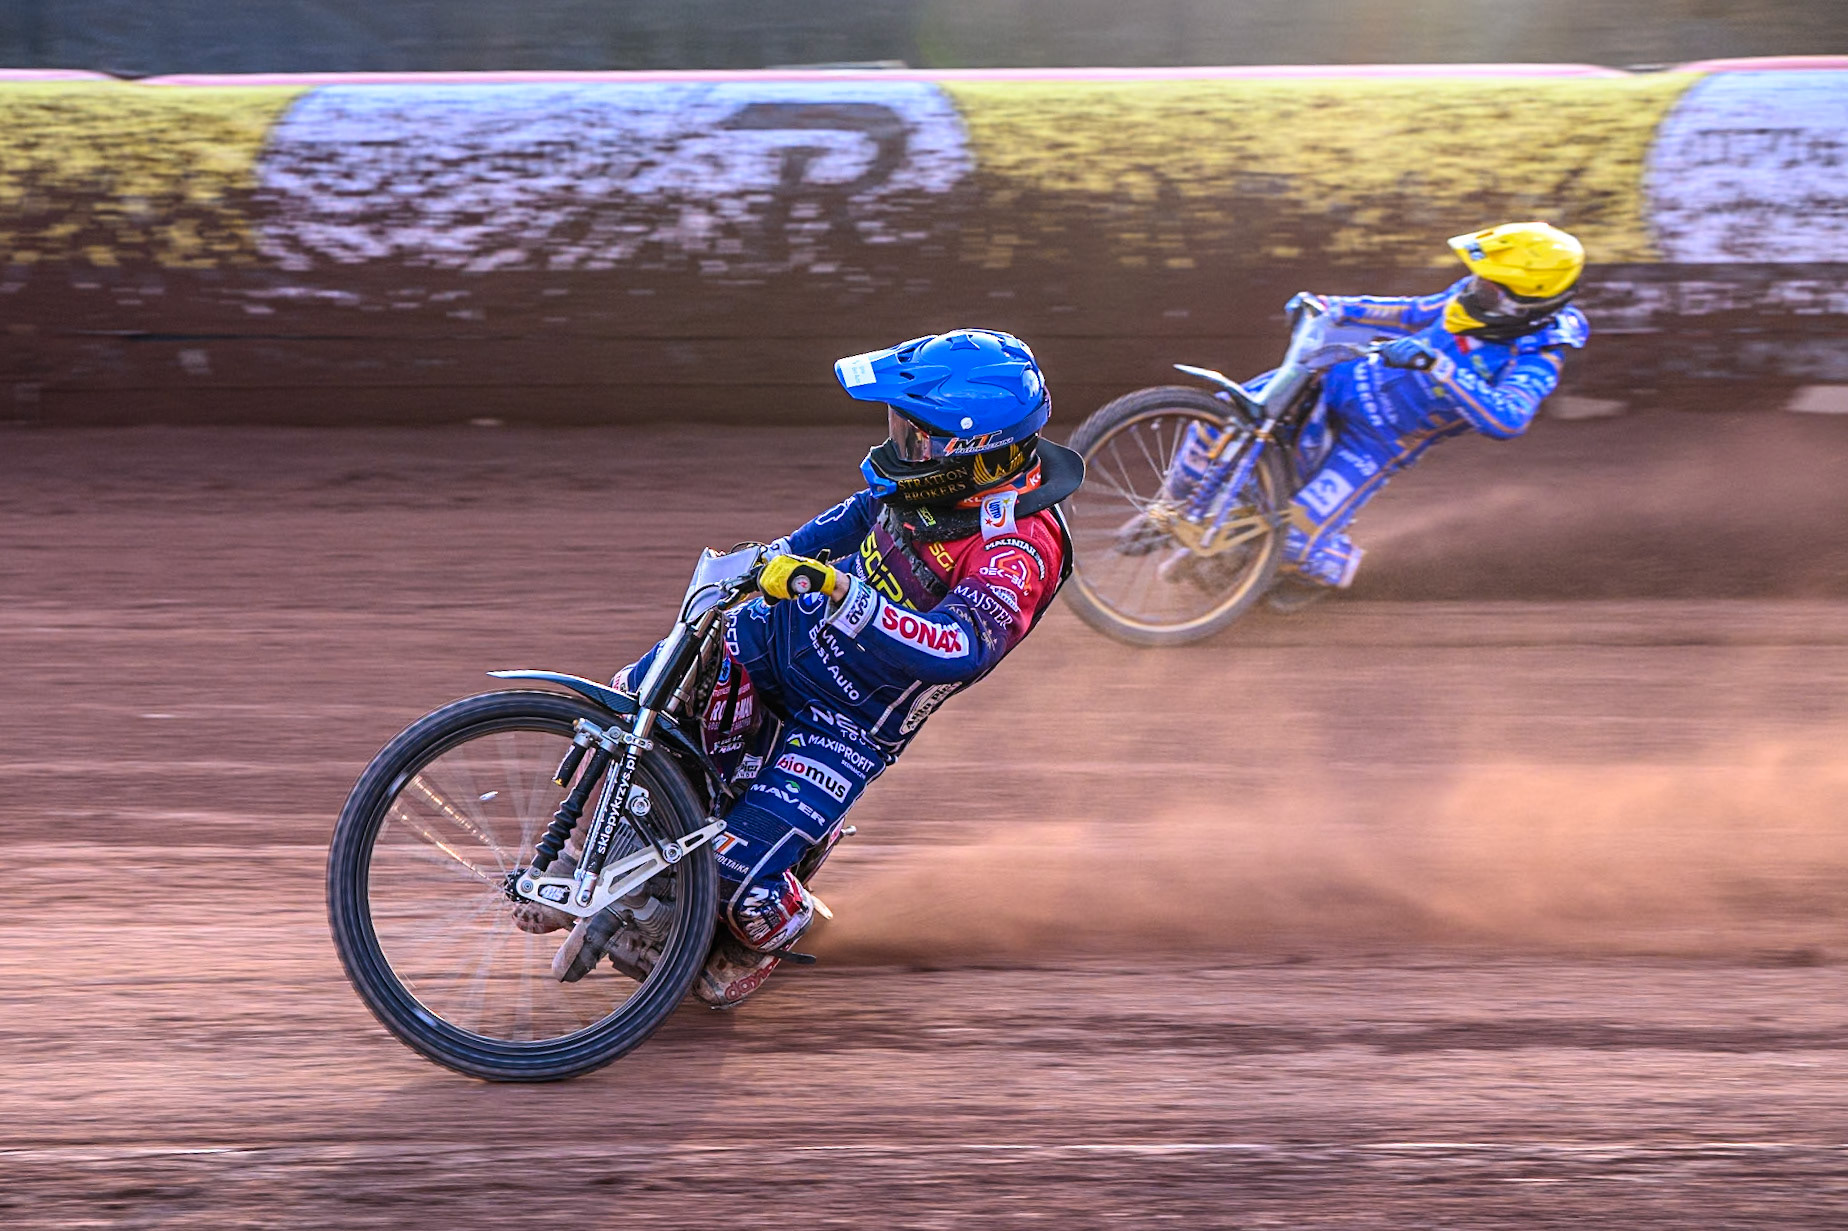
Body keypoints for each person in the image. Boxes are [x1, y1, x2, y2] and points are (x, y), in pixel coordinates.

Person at [516, 328, 1082, 1007]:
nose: (897, 444)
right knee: (634, 703)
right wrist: (763, 562)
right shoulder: (930, 482)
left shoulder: (1021, 547)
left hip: (848, 723)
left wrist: (845, 594)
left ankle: (762, 922)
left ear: (971, 449)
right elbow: (851, 519)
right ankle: (601, 869)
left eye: (913, 434)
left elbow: (960, 650)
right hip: (773, 638)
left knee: (730, 885)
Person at [1165, 221, 1589, 611]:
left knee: (1294, 539)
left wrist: (1438, 365)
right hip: (1331, 381)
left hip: (1374, 444)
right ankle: (1164, 510)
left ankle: (1326, 566)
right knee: (1215, 426)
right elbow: (1409, 313)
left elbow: (1509, 419)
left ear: (1527, 303)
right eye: (1481, 280)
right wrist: (1335, 306)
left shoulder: (1539, 356)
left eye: (1492, 289)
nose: (1476, 290)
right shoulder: (1472, 297)